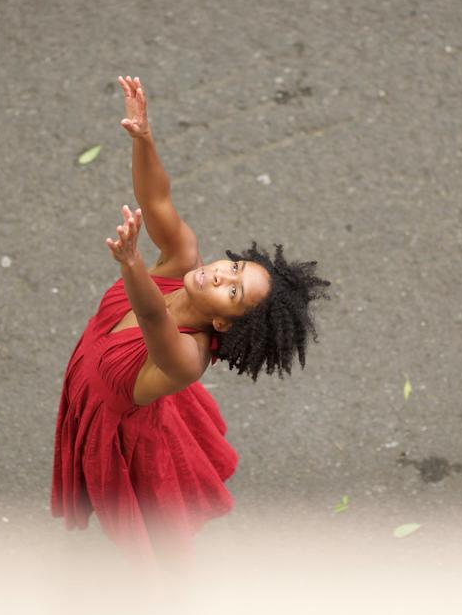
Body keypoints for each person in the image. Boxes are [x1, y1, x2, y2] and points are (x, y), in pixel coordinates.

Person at [50, 76, 330, 569]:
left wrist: (132, 264)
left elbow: (154, 317)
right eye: (236, 268)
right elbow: (156, 200)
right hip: (93, 381)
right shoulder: (182, 260)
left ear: (225, 323)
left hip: (119, 432)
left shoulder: (187, 360)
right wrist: (144, 139)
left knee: (142, 535)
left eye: (233, 291)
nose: (223, 273)